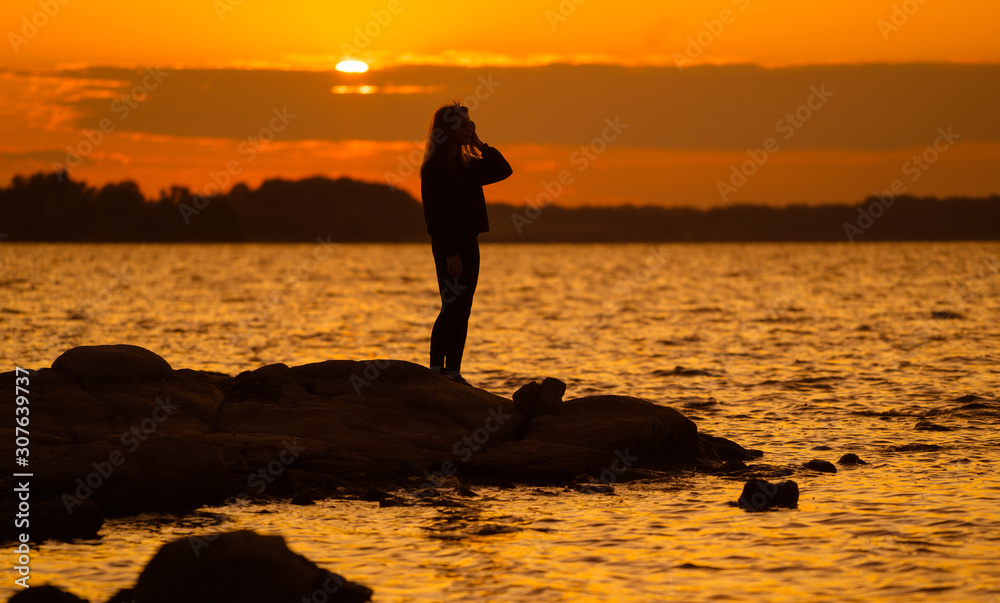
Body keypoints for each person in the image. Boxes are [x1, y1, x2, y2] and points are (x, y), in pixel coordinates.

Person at [420, 102, 512, 385]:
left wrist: (478, 142)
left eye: (469, 123)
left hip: (469, 242)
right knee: (452, 306)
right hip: (449, 246)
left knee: (465, 307)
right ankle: (436, 371)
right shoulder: (435, 167)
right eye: (461, 124)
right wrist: (449, 252)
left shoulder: (469, 164)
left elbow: (503, 169)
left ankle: (453, 372)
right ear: (446, 130)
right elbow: (435, 214)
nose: (467, 128)